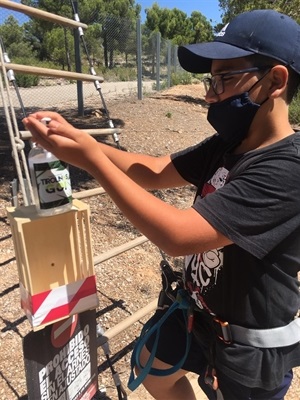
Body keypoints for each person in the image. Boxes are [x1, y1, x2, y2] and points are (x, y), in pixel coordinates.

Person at [23, 9, 300, 400]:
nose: (209, 95)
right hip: (195, 312)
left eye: (223, 80)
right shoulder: (229, 144)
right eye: (210, 80)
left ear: (275, 80)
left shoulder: (287, 168)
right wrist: (78, 140)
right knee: (151, 370)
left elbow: (179, 235)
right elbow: (154, 171)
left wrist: (92, 161)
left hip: (249, 345)